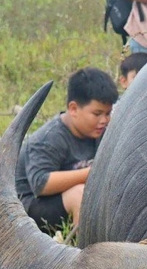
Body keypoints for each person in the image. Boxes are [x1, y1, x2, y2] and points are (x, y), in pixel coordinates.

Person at [15, 66, 114, 233]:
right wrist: (93, 173)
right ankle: (83, 251)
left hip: (68, 201)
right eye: (97, 114)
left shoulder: (100, 132)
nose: (104, 120)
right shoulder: (49, 138)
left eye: (108, 113)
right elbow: (40, 184)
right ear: (73, 109)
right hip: (31, 210)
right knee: (79, 195)